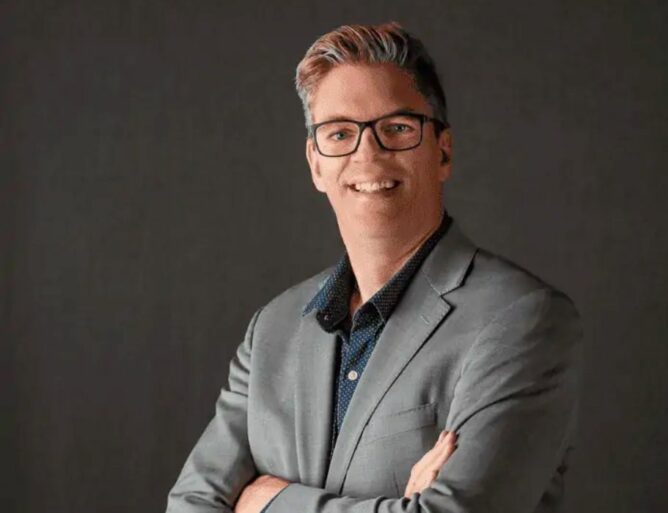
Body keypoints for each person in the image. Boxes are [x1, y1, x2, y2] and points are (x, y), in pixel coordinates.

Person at [166, 21, 582, 513]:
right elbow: (190, 505)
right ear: (316, 163)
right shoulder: (272, 330)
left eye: (397, 128)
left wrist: (266, 503)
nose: (368, 153)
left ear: (443, 150)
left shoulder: (523, 319)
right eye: (340, 133)